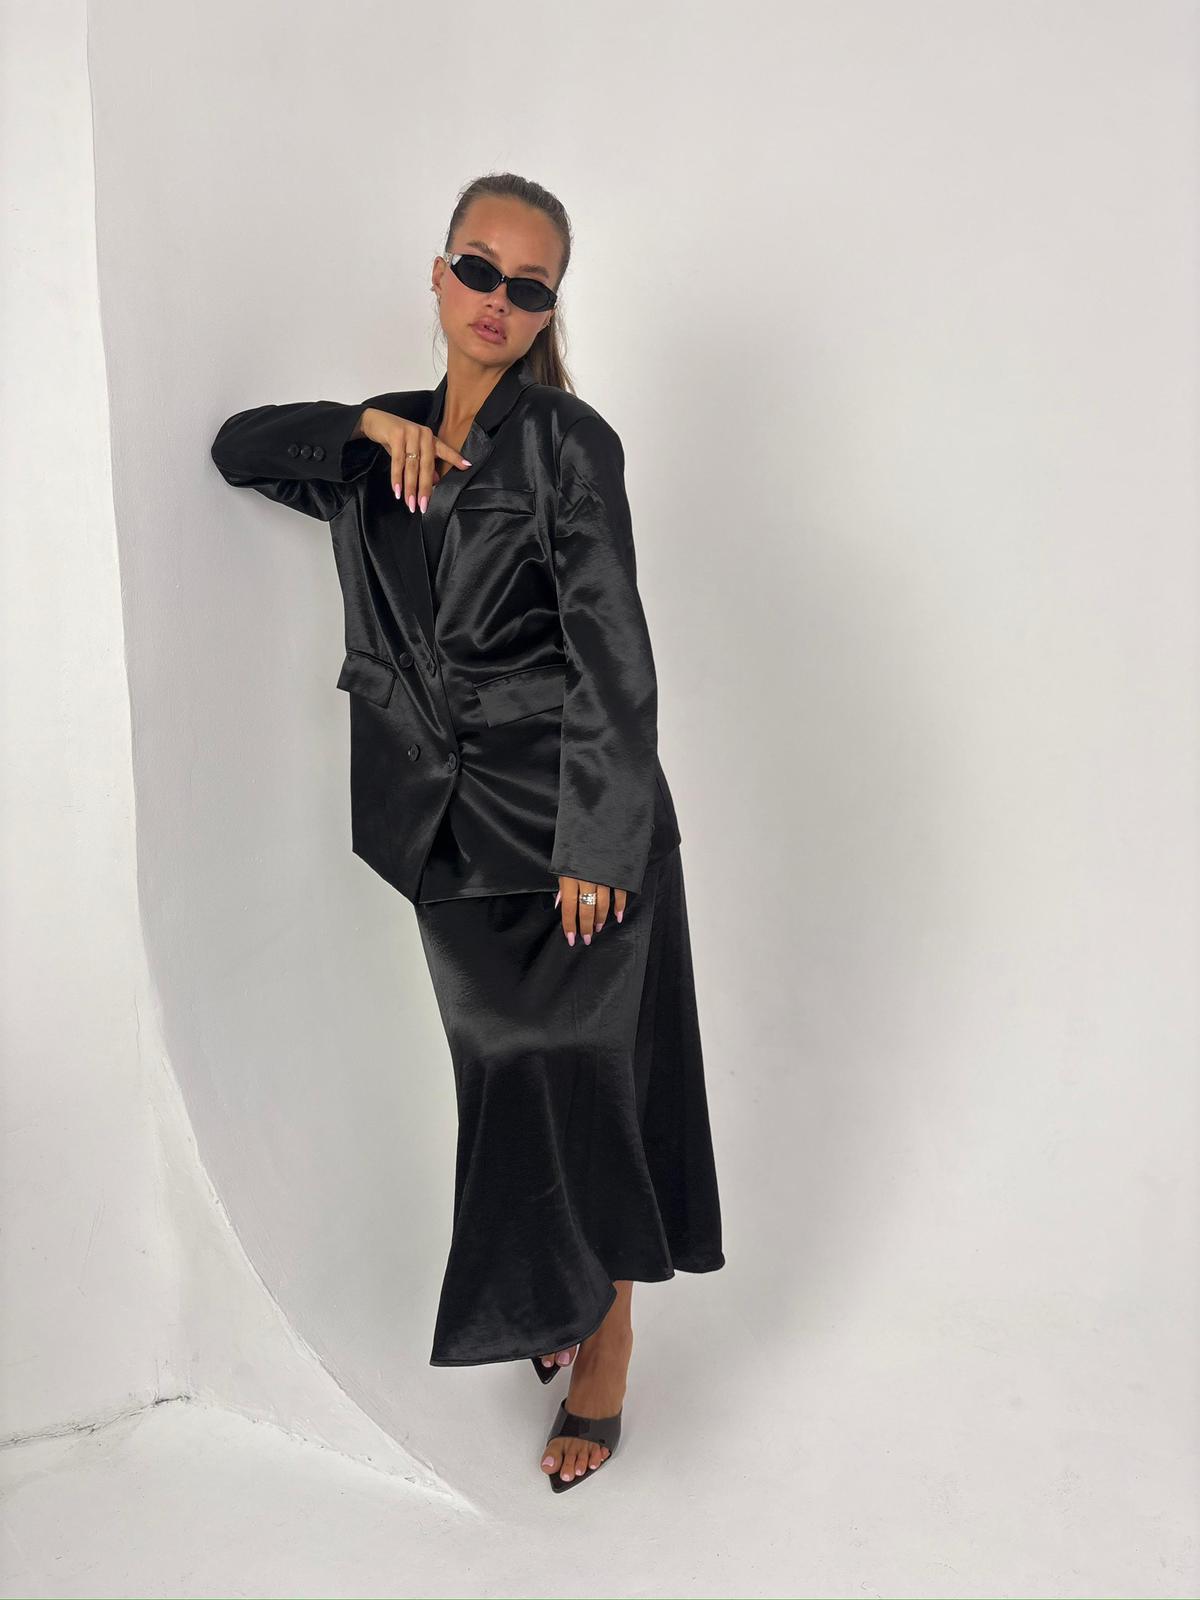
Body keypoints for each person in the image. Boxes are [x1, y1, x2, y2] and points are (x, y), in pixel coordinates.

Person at [210, 171, 724, 1493]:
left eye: (529, 285)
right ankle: (555, 1291)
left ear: (550, 309)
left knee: (586, 1068)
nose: (499, 300)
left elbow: (614, 646)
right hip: (441, 819)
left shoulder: (567, 443)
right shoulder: (375, 447)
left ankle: (606, 1335)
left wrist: (601, 838)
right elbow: (236, 448)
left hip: (569, 811)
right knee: (502, 1067)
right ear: (439, 276)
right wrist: (361, 426)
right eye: (479, 270)